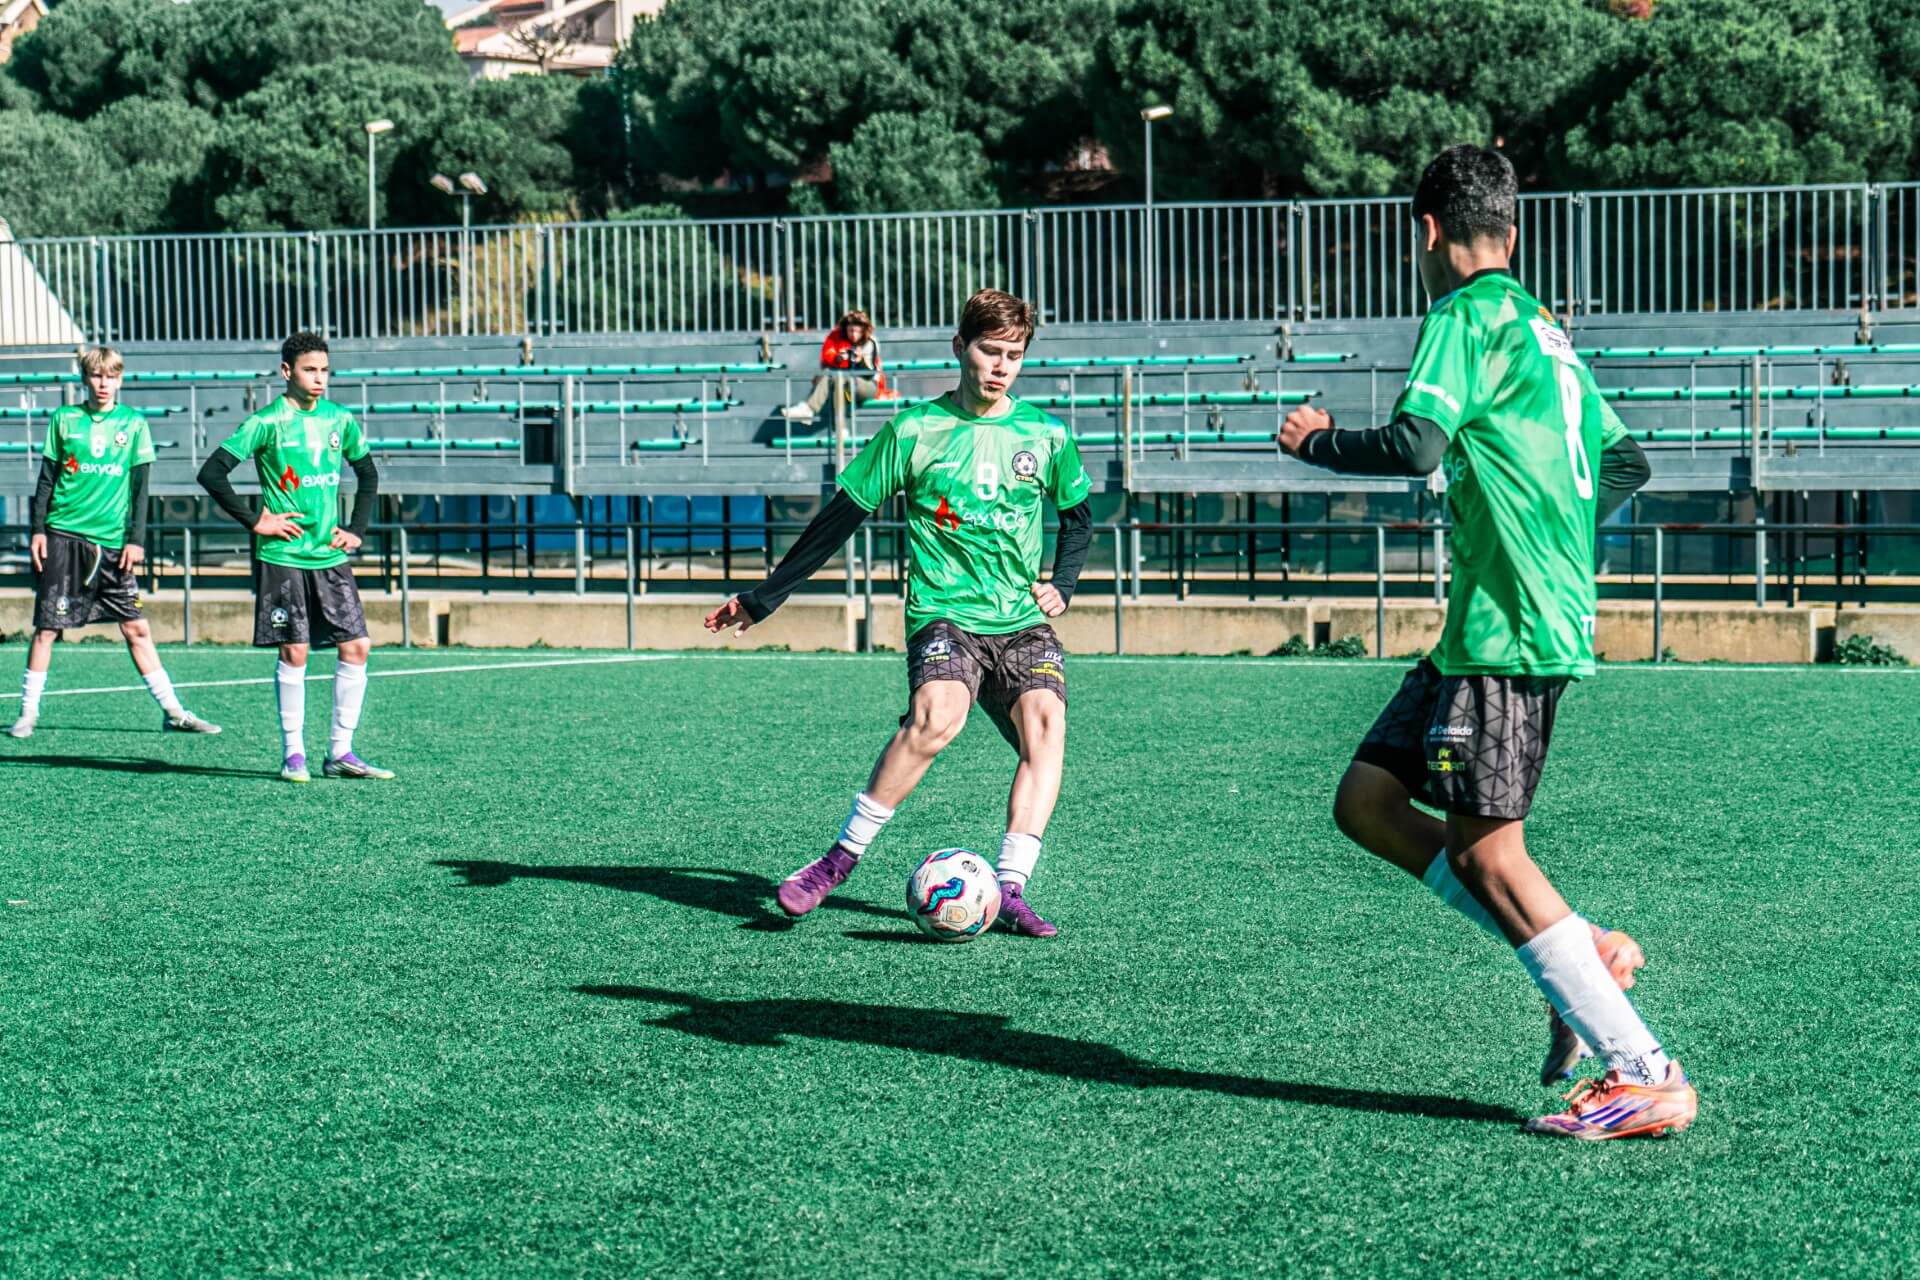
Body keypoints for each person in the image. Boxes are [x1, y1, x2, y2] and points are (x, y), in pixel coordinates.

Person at [1279, 144, 1693, 1140]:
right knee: (1368, 803)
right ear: (1512, 229)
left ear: (1426, 230)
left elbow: (1416, 443)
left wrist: (1315, 442)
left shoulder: (1463, 315)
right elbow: (1625, 462)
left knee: (1488, 853)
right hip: (1487, 626)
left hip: (1510, 626)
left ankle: (1643, 1069)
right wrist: (1541, 526)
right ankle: (1581, 951)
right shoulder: (1546, 332)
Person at [709, 289, 1093, 936]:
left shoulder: (1046, 434)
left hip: (1019, 619)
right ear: (960, 348)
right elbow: (839, 519)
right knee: (936, 718)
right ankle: (836, 862)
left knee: (1046, 729)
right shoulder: (914, 431)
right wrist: (765, 597)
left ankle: (1009, 888)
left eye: (1014, 355)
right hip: (945, 612)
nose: (1001, 366)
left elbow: (1078, 518)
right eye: (989, 351)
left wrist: (1064, 582)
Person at [196, 331, 392, 784]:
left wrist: (356, 530)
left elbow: (367, 474)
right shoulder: (266, 422)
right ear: (287, 372)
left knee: (357, 646)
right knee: (295, 650)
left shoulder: (340, 419)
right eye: (310, 370)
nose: (319, 378)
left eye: (324, 370)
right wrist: (255, 520)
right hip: (283, 553)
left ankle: (340, 752)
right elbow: (212, 473)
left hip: (328, 554)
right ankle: (294, 755)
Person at [8, 347, 221, 739]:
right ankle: (27, 713)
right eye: (96, 375)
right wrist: (38, 530)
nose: (103, 384)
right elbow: (46, 481)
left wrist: (135, 540)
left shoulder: (134, 424)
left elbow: (140, 489)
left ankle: (174, 712)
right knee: (47, 629)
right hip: (64, 536)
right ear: (84, 379)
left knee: (136, 628)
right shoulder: (64, 420)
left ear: (120, 379)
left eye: (110, 376)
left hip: (111, 545)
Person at [782, 309, 887, 421]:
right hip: (845, 387)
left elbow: (869, 374)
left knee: (839, 378)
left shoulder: (870, 342)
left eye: (858, 331)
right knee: (833, 378)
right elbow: (828, 359)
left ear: (864, 330)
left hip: (868, 386)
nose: (854, 335)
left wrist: (859, 361)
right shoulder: (838, 338)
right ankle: (812, 412)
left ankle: (809, 409)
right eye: (851, 330)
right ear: (846, 329)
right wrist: (839, 359)